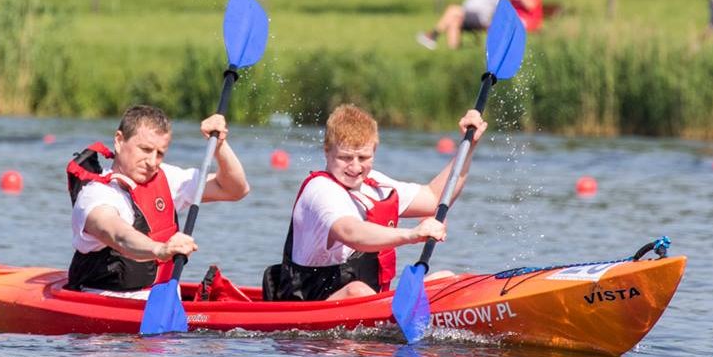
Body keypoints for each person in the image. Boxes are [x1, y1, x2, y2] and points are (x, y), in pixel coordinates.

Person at [262, 104, 488, 302]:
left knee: (446, 279)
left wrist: (468, 146)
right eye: (345, 158)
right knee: (357, 291)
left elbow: (433, 198)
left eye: (363, 158)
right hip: (310, 304)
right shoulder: (321, 189)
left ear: (374, 151)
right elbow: (350, 231)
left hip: (365, 302)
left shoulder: (376, 185)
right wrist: (411, 235)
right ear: (327, 151)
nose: (355, 167)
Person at [65, 105, 249, 296]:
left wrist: (219, 146)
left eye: (159, 153)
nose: (152, 162)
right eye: (145, 149)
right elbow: (119, 235)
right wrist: (160, 249)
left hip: (162, 302)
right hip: (108, 303)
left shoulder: (167, 178)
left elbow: (235, 189)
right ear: (119, 141)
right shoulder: (96, 195)